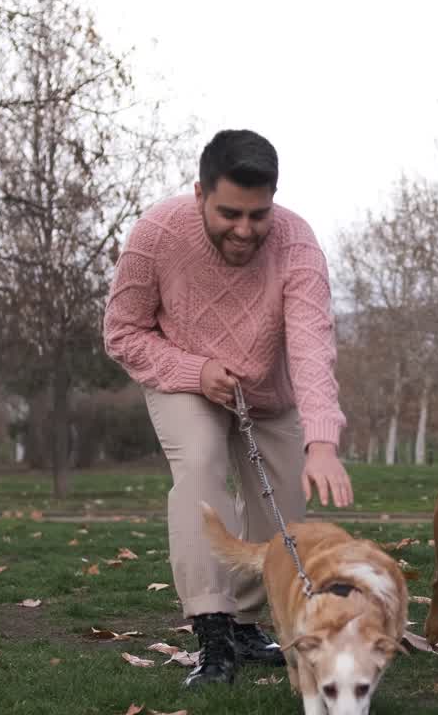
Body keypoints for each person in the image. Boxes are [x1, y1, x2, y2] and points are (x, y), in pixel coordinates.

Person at [103, 129, 353, 688]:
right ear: (200, 194)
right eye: (230, 214)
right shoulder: (157, 233)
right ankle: (212, 631)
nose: (245, 230)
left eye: (258, 214)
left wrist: (321, 444)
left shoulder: (298, 244)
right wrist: (196, 371)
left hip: (267, 392)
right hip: (184, 379)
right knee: (200, 464)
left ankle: (243, 622)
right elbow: (122, 332)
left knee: (284, 509)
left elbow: (313, 346)